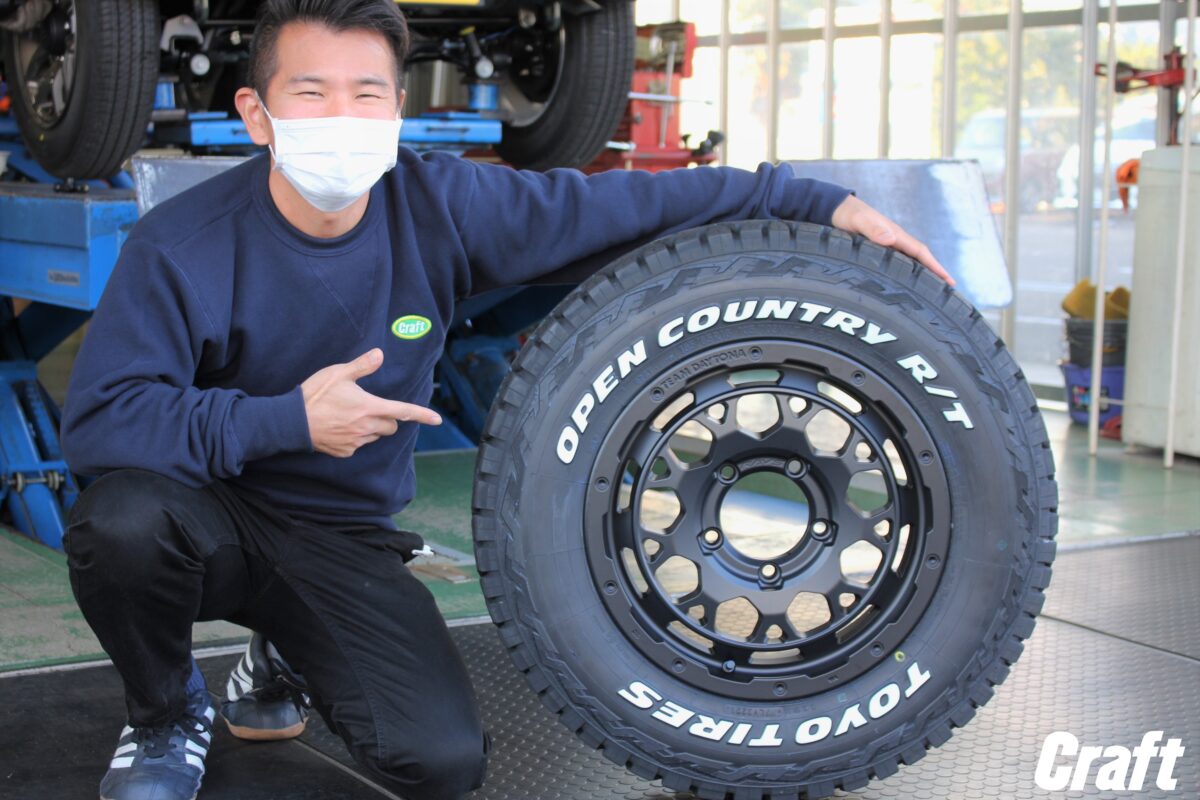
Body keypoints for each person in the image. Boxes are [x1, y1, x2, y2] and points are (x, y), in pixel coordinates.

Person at [57, 1, 951, 799]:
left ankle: (281, 653)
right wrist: (287, 420)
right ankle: (166, 715)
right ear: (258, 114)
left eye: (367, 95)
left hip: (339, 538)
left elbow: (627, 206)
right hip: (207, 518)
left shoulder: (440, 203)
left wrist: (810, 201)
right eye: (312, 94)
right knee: (120, 522)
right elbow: (101, 423)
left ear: (397, 112)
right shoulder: (183, 243)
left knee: (440, 763)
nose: (342, 119)